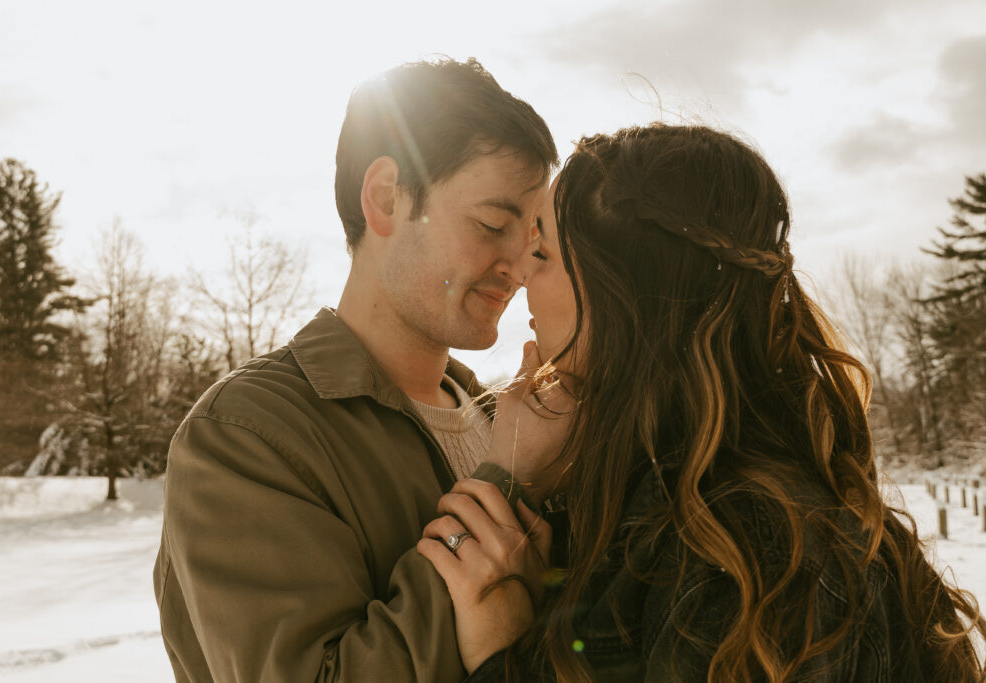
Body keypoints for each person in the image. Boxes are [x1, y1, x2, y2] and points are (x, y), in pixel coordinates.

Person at [419, 124, 986, 682]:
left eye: (541, 252)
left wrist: (503, 654)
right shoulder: (671, 504)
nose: (518, 274)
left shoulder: (753, 562)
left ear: (627, 296)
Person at [152, 57, 558, 682]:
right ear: (386, 198)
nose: (520, 264)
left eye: (532, 236)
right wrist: (503, 485)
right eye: (493, 224)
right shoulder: (245, 436)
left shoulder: (499, 418)